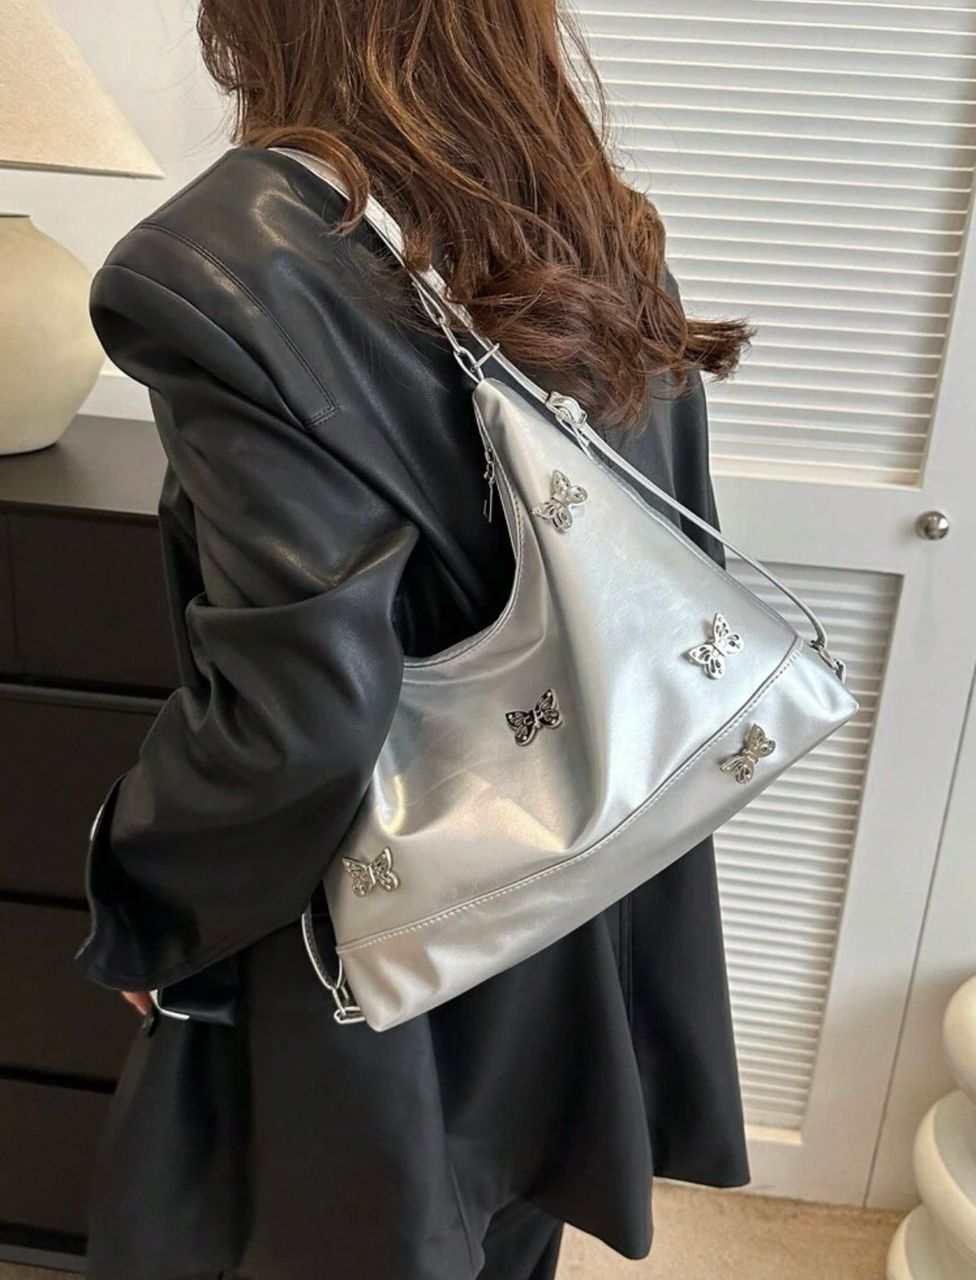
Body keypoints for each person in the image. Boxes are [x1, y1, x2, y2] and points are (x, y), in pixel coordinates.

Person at [74, 3, 756, 1278]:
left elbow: (298, 721)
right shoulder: (594, 222)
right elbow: (670, 571)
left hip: (371, 943)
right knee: (502, 1235)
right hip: (574, 890)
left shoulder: (221, 260)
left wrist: (148, 899)